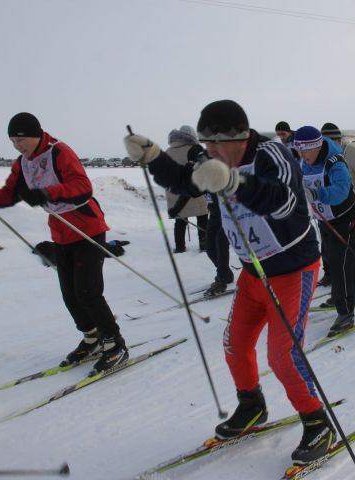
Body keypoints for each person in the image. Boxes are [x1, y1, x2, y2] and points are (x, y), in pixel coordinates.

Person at [125, 100, 334, 465]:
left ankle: (317, 421)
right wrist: (153, 156)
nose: (212, 154)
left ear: (240, 138)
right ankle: (251, 405)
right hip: (253, 272)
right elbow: (182, 181)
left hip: (292, 270)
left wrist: (234, 181)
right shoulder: (211, 159)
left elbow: (282, 201)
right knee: (234, 344)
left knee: (283, 355)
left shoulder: (273, 154)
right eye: (207, 145)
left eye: (218, 145)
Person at [0, 112, 127, 373]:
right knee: (70, 294)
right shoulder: (23, 163)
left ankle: (115, 343)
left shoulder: (59, 152)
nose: (18, 146)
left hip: (87, 227)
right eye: (13, 141)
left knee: (88, 292)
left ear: (36, 135)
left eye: (21, 140)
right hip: (61, 231)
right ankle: (92, 338)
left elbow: (82, 186)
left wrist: (46, 193)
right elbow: (11, 192)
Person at [295, 125, 355, 336]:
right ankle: (339, 294)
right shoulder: (303, 162)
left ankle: (345, 311)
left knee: (341, 262)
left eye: (306, 150)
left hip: (345, 217)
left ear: (317, 146)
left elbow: (341, 191)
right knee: (329, 258)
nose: (303, 155)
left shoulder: (335, 162)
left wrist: (316, 194)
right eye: (299, 150)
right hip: (325, 218)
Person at [321, 122, 355, 285]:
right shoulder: (322, 155)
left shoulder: (351, 151)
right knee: (327, 240)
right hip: (331, 205)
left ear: (338, 140)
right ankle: (330, 273)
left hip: (353, 204)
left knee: (352, 240)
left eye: (332, 140)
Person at [165, 126, 209, 253]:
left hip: (175, 191)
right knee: (202, 217)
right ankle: (204, 244)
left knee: (180, 220)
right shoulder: (196, 149)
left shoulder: (168, 151)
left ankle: (180, 247)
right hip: (194, 188)